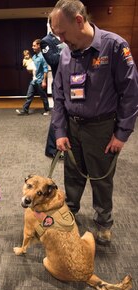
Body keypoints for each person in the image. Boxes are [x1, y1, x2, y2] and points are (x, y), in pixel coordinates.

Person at [50, 0, 138, 245]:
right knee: (73, 175)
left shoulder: (115, 46)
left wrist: (121, 134)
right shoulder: (67, 50)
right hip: (73, 126)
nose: (61, 39)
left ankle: (103, 222)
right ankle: (70, 214)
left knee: (101, 179)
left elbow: (130, 95)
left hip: (101, 127)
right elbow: (58, 94)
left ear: (79, 20)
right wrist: (60, 130)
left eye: (62, 33)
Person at [40, 20, 66, 158]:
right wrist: (67, 48)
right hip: (58, 83)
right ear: (51, 24)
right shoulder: (46, 41)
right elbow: (52, 60)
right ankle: (51, 149)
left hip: (71, 83)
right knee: (58, 115)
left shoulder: (67, 37)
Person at [16, 39, 50, 116]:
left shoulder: (43, 57)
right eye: (32, 45)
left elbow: (45, 70)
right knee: (29, 95)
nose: (32, 47)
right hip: (33, 80)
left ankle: (47, 110)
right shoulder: (34, 57)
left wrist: (44, 81)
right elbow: (32, 68)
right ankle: (25, 110)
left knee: (43, 97)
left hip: (40, 80)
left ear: (39, 46)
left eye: (34, 45)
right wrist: (28, 69)